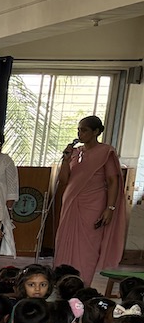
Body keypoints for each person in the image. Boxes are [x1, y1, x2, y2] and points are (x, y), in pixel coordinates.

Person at [55, 115, 127, 282]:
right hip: (71, 203)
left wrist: (110, 208)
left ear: (95, 132)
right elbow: (64, 180)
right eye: (79, 130)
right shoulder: (76, 152)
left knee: (87, 246)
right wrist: (66, 159)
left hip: (93, 204)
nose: (80, 133)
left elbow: (112, 180)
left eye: (84, 130)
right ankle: (64, 282)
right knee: (64, 242)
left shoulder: (105, 151)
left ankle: (82, 283)